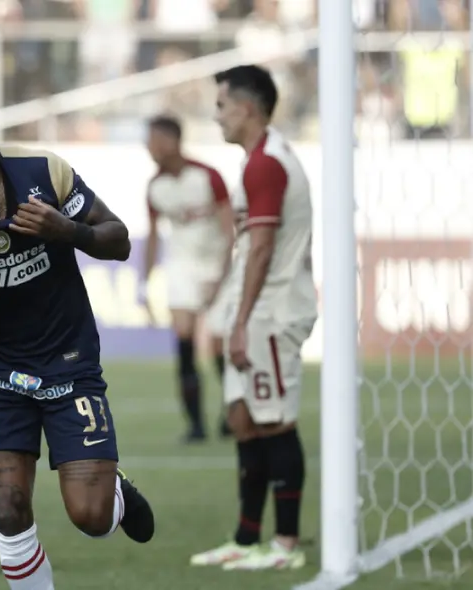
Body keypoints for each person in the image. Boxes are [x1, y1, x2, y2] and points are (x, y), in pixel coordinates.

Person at [0, 81, 155, 589]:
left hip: (70, 362)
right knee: (9, 507)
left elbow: (120, 239)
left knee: (91, 516)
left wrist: (70, 232)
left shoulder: (44, 171)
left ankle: (114, 495)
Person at [189, 65, 315, 571]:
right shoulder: (258, 160)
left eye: (220, 105)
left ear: (245, 107)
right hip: (253, 308)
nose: (216, 114)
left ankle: (285, 546)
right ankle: (245, 537)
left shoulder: (267, 164)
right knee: (243, 420)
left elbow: (261, 248)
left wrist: (240, 322)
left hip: (272, 309)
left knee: (274, 421)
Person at [141, 115, 234, 443]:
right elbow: (152, 238)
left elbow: (229, 229)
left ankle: (231, 415)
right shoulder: (155, 187)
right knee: (183, 337)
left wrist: (223, 274)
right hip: (181, 266)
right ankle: (196, 424)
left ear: (171, 140)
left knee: (221, 344)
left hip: (217, 266)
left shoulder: (208, 176)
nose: (148, 147)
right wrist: (145, 283)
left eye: (152, 139)